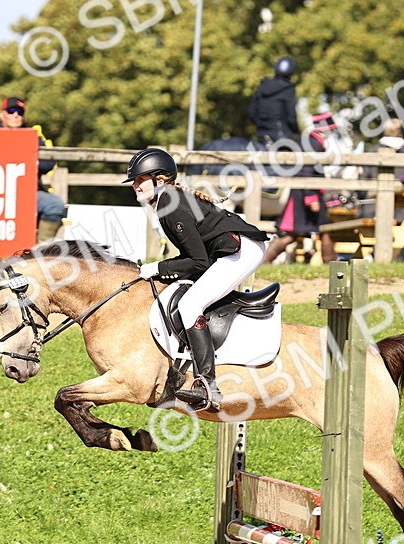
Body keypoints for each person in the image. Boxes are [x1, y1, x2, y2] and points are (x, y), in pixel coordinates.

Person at [128, 148, 270, 412]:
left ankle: (207, 385)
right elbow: (194, 257)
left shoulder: (171, 206)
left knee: (191, 305)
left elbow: (198, 262)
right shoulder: (168, 202)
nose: (135, 186)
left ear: (160, 180)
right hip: (230, 249)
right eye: (134, 182)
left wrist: (157, 266)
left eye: (140, 180)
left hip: (242, 250)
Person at [263, 112, 338, 264]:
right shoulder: (313, 143)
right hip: (306, 193)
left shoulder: (313, 142)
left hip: (308, 191)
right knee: (290, 235)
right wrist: (310, 197)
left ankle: (333, 268)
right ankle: (261, 263)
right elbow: (306, 170)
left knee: (324, 231)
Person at [0, 96, 66, 243]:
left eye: (20, 112)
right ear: (2, 114)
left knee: (54, 205)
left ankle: (41, 254)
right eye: (11, 111)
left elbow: (48, 163)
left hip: (28, 193)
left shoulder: (33, 136)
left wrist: (22, 159)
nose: (16, 115)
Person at [248, 56, 300, 145]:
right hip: (282, 135)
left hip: (262, 136)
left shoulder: (262, 87)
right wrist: (298, 133)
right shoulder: (288, 89)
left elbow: (251, 112)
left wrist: (261, 126)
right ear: (291, 73)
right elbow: (291, 118)